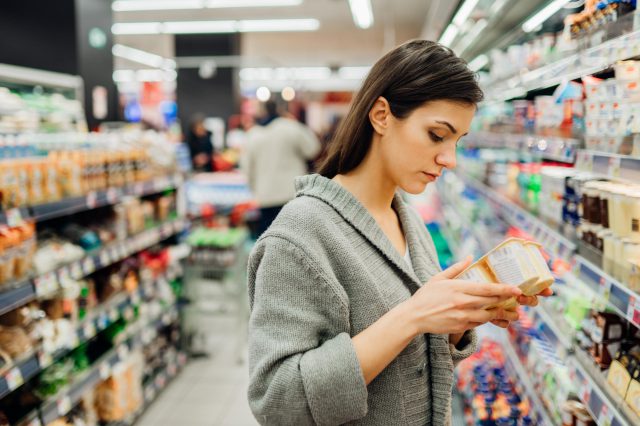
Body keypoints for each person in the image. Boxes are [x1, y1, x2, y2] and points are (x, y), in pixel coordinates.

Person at [246, 40, 553, 425]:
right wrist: (413, 315)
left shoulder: (408, 220)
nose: (450, 159)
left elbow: (410, 365)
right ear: (381, 116)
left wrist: (458, 320)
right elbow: (277, 401)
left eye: (457, 141)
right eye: (436, 135)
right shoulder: (300, 235)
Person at [241, 100, 320, 238]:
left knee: (268, 242)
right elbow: (313, 149)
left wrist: (255, 190)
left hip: (265, 196)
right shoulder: (291, 127)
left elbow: (247, 168)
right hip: (292, 193)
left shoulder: (252, 135)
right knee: (296, 240)